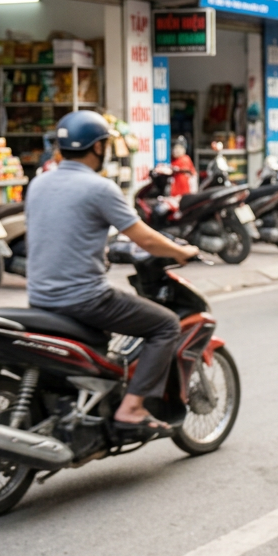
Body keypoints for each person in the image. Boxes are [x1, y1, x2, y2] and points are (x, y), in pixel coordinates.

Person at [26, 111, 200, 436]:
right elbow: (144, 238)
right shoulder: (100, 188)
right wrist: (182, 251)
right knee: (166, 324)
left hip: (40, 298)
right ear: (97, 148)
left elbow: (60, 229)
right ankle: (132, 408)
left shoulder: (38, 183)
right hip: (84, 299)